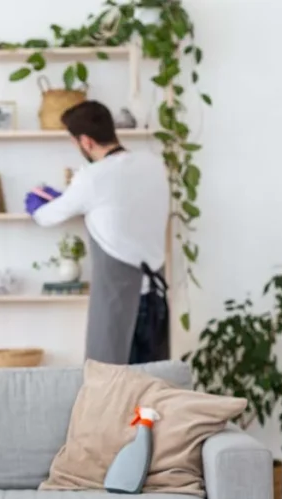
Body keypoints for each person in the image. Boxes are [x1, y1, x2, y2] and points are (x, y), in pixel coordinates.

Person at [25, 100, 171, 365]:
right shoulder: (154, 165)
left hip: (117, 302)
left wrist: (37, 202)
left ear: (86, 142)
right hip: (156, 299)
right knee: (154, 387)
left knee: (108, 386)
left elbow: (46, 217)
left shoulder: (92, 178)